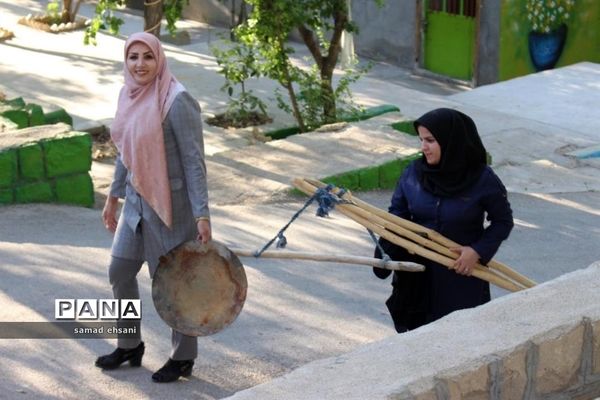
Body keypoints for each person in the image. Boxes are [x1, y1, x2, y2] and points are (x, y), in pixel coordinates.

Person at [94, 32, 211, 383]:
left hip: (171, 210)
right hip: (135, 209)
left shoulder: (177, 101)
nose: (140, 64)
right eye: (133, 57)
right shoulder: (128, 94)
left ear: (158, 59)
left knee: (175, 284)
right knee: (119, 272)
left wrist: (201, 214)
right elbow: (124, 150)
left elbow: (194, 162)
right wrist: (113, 197)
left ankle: (183, 357)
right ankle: (130, 344)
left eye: (147, 57)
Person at [373, 108, 513, 333]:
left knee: (459, 340)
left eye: (430, 140)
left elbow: (502, 221)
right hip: (417, 275)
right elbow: (396, 215)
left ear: (451, 140)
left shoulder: (482, 179)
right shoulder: (413, 174)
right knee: (417, 342)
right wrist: (394, 248)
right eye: (421, 140)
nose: (423, 147)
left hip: (460, 276)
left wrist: (477, 251)